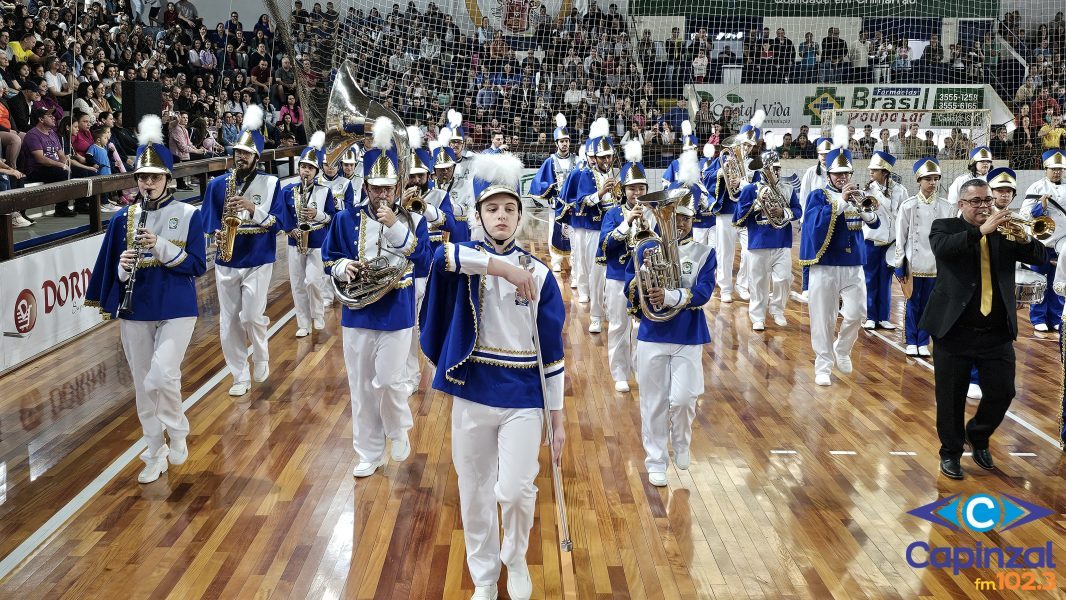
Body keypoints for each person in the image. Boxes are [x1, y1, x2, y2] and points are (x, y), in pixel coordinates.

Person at [419, 152, 565, 600]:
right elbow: (443, 255)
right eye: (492, 209)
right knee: (474, 489)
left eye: (509, 209)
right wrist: (501, 267)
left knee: (517, 490)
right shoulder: (467, 261)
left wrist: (557, 419)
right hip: (472, 390)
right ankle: (484, 577)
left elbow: (554, 352)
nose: (501, 216)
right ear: (478, 216)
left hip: (524, 395)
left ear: (520, 216)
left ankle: (516, 557)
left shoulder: (540, 273)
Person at [84, 115, 207, 483]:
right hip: (136, 309)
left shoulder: (188, 214)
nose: (147, 183)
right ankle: (154, 449)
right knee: (142, 383)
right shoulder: (123, 218)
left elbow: (197, 265)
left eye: (154, 177)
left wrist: (162, 246)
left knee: (162, 375)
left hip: (177, 307)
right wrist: (122, 267)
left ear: (168, 178)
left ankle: (178, 431)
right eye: (141, 177)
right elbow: (112, 274)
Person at [322, 117, 430, 478]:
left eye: (388, 188)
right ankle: (368, 451)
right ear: (365, 186)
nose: (382, 195)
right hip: (357, 313)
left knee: (387, 380)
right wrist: (341, 269)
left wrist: (395, 226)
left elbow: (423, 258)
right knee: (361, 388)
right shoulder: (344, 219)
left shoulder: (412, 219)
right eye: (375, 188)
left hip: (396, 311)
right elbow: (329, 258)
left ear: (398, 186)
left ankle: (398, 428)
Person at [920, 179, 1047, 479]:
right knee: (951, 397)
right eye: (975, 201)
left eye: (987, 200)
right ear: (961, 204)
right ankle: (950, 452)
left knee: (1003, 392)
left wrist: (1026, 238)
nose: (983, 205)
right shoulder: (945, 226)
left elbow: (1040, 257)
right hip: (953, 330)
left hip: (996, 331)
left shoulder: (1005, 231)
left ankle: (978, 435)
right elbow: (944, 250)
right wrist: (980, 231)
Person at [625, 184, 717, 487]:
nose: (678, 223)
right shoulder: (646, 248)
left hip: (688, 334)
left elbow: (703, 293)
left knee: (684, 398)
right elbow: (630, 285)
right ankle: (655, 460)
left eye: (685, 219)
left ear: (693, 221)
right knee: (653, 401)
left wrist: (671, 295)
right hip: (652, 333)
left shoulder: (705, 253)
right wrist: (641, 287)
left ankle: (681, 442)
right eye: (673, 217)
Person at [199, 105, 283, 397]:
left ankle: (261, 356)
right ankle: (239, 374)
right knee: (229, 320)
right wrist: (215, 233)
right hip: (227, 258)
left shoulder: (272, 183)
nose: (240, 158)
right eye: (237, 153)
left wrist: (253, 208)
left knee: (250, 317)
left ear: (256, 157)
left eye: (246, 154)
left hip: (259, 257)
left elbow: (279, 223)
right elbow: (207, 218)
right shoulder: (218, 184)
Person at [799, 130, 882, 387]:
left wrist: (867, 212)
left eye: (846, 174)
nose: (843, 178)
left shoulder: (858, 195)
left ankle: (842, 348)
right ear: (829, 175)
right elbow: (814, 225)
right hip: (824, 265)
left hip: (854, 264)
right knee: (823, 318)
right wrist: (843, 204)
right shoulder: (818, 196)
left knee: (858, 313)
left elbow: (875, 223)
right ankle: (822, 364)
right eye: (838, 174)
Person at [598, 140, 649, 393]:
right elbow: (604, 247)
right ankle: (619, 371)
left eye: (641, 187)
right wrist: (626, 223)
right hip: (619, 277)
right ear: (623, 190)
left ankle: (640, 370)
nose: (637, 193)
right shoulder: (613, 214)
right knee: (619, 325)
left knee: (641, 325)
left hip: (645, 278)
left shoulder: (653, 212)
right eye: (632, 188)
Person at [891, 158, 955, 356]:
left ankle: (923, 341)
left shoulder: (947, 207)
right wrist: (899, 264)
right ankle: (911, 339)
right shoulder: (908, 206)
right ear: (919, 180)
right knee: (913, 302)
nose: (932, 183)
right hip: (914, 263)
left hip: (937, 265)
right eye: (928, 179)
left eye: (935, 179)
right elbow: (900, 237)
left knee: (931, 305)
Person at [735, 149, 802, 330]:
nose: (775, 172)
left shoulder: (788, 188)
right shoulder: (750, 189)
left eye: (777, 169)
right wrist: (757, 203)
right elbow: (738, 218)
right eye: (771, 169)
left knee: (785, 278)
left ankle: (777, 309)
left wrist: (783, 212)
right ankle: (758, 316)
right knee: (758, 282)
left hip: (782, 241)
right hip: (758, 242)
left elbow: (798, 210)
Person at [278, 131, 334, 338]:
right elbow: (282, 214)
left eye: (310, 168)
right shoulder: (288, 190)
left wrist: (317, 214)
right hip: (295, 241)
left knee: (312, 281)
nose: (306, 171)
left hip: (317, 241)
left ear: (316, 171)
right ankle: (303, 323)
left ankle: (317, 314)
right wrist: (288, 228)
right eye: (303, 167)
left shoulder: (324, 191)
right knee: (297, 284)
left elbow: (332, 217)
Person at [561, 117, 615, 333]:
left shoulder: (610, 173)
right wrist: (600, 194)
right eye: (601, 156)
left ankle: (608, 308)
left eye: (608, 156)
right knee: (591, 269)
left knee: (608, 273)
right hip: (590, 228)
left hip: (609, 228)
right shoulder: (583, 173)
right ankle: (596, 313)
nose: (606, 160)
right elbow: (581, 200)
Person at [714, 111, 763, 303]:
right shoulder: (724, 158)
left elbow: (759, 187)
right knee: (724, 252)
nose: (747, 148)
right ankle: (725, 287)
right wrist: (722, 174)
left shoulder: (754, 165)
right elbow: (708, 179)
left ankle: (743, 285)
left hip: (747, 214)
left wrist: (742, 185)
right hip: (726, 212)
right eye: (744, 144)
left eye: (750, 145)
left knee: (750, 252)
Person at [1020, 149, 1066, 333]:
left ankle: (1055, 316)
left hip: (1063, 243)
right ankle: (1037, 316)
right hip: (1042, 242)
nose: (1057, 172)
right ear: (1045, 168)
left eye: (1060, 169)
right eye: (1053, 169)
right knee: (1040, 281)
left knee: (1059, 280)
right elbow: (1026, 214)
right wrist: (1041, 207)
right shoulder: (1036, 187)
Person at [861, 151, 907, 330]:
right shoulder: (867, 190)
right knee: (870, 278)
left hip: (891, 241)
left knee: (886, 280)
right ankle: (871, 316)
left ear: (885, 172)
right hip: (871, 240)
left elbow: (903, 215)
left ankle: (884, 316)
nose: (871, 172)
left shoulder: (900, 190)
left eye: (875, 170)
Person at [528, 114, 577, 273]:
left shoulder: (577, 160)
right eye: (562, 141)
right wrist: (550, 188)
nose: (564, 144)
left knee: (573, 232)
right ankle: (556, 260)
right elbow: (538, 182)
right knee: (554, 231)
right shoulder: (550, 161)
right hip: (556, 204)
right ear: (557, 143)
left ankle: (574, 259)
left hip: (573, 203)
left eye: (567, 141)